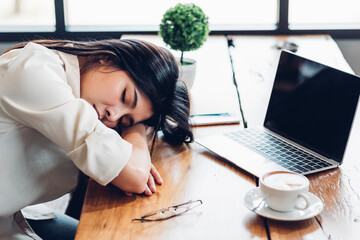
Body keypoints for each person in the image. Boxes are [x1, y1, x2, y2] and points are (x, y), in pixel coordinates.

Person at [0, 38, 193, 240]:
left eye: (126, 120)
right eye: (125, 96)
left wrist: (133, 135)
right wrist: (136, 130)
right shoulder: (33, 71)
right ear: (106, 58)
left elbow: (128, 170)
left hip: (14, 216)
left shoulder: (76, 88)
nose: (114, 115)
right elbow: (134, 176)